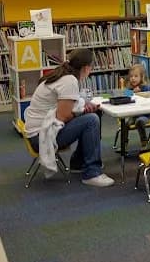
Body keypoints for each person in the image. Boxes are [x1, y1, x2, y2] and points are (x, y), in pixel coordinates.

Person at [23, 48, 115, 187]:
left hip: (40, 130)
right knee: (91, 120)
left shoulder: (63, 74)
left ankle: (79, 162)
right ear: (86, 68)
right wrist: (83, 111)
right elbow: (63, 116)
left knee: (93, 114)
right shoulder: (70, 81)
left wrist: (83, 108)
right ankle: (92, 173)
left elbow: (65, 105)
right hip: (41, 136)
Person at [121, 63, 150, 148]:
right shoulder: (129, 88)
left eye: (136, 76)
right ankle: (124, 143)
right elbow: (124, 94)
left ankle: (144, 142)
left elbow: (147, 96)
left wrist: (139, 92)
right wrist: (132, 92)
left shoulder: (145, 88)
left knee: (139, 121)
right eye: (131, 76)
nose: (133, 78)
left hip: (145, 115)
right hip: (133, 115)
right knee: (125, 123)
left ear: (141, 77)